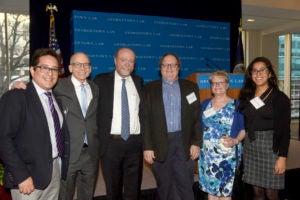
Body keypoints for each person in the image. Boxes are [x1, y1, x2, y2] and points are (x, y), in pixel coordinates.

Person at [11, 52, 100, 200]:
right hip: (69, 152)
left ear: (90, 69)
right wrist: (19, 85)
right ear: (70, 68)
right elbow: (39, 86)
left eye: (86, 65)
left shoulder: (95, 88)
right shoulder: (58, 84)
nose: (82, 68)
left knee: (87, 193)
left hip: (90, 153)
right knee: (65, 194)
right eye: (78, 64)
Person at [0, 48, 70, 200]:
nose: (50, 73)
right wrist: (21, 175)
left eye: (54, 69)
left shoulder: (56, 99)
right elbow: (3, 139)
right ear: (32, 70)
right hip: (27, 177)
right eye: (44, 68)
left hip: (53, 172)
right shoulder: (17, 97)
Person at [142, 52, 202, 200]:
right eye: (165, 64)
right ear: (160, 68)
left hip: (184, 142)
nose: (169, 68)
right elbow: (145, 120)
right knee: (165, 185)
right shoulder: (149, 89)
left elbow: (196, 118)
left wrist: (196, 143)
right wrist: (147, 147)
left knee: (185, 184)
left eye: (173, 64)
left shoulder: (191, 87)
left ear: (178, 67)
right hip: (159, 143)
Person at [93, 47, 143, 200]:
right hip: (111, 144)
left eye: (131, 61)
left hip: (135, 144)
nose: (127, 64)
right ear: (115, 60)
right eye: (123, 60)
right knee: (113, 190)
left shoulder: (138, 81)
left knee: (133, 188)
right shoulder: (100, 81)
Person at [238, 56, 291, 200]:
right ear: (250, 75)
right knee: (257, 192)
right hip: (251, 146)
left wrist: (282, 157)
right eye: (254, 71)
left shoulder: (280, 98)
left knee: (271, 193)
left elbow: (285, 131)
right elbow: (241, 118)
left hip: (271, 147)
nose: (258, 74)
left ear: (270, 74)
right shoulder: (246, 95)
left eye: (262, 70)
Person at [198, 70, 246, 200]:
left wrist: (236, 140)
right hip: (208, 156)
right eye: (213, 83)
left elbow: (243, 129)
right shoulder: (204, 104)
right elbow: (199, 127)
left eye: (220, 82)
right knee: (211, 191)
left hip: (228, 157)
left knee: (225, 192)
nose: (217, 85)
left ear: (227, 85)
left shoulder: (237, 105)